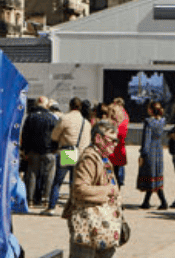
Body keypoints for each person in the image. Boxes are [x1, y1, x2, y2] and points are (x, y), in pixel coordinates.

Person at [62, 118, 123, 258]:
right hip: (89, 224)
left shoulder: (103, 158)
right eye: (112, 140)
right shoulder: (90, 158)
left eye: (116, 140)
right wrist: (109, 191)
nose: (115, 144)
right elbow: (79, 189)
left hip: (101, 224)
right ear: (98, 138)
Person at [45, 97, 92, 215]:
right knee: (74, 182)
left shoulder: (65, 118)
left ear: (70, 106)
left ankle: (51, 207)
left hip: (68, 151)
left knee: (58, 181)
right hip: (80, 153)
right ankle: (73, 208)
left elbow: (54, 136)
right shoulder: (85, 122)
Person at [21, 96, 57, 207]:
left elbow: (25, 135)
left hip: (33, 152)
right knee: (49, 176)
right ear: (46, 105)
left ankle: (30, 200)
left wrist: (25, 151)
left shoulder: (30, 117)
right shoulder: (51, 118)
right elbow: (56, 135)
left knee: (32, 175)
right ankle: (46, 200)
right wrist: (54, 149)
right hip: (48, 151)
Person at [136, 101, 169, 210]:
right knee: (155, 175)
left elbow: (146, 139)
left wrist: (142, 154)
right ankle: (146, 201)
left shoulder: (149, 122)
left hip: (150, 151)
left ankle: (162, 201)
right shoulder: (162, 121)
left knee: (149, 175)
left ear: (150, 110)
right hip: (158, 150)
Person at [107, 99, 130, 187]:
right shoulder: (125, 117)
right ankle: (118, 187)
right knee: (118, 169)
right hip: (120, 148)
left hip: (111, 149)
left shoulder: (111, 122)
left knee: (109, 171)